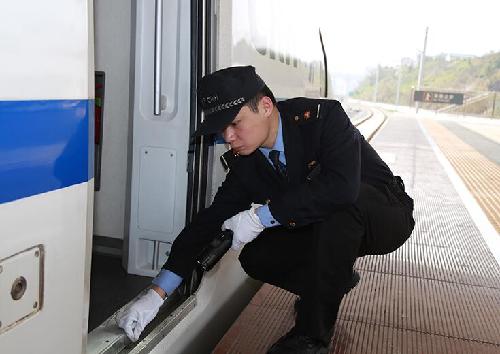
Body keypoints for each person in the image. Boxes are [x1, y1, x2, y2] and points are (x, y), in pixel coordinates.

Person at [117, 66, 415, 353]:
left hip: (384, 215)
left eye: (235, 123)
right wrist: (157, 292)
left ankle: (310, 338)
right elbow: (209, 222)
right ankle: (331, 282)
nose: (228, 138)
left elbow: (341, 189)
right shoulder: (247, 163)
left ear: (266, 106)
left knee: (339, 206)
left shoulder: (323, 119)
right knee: (257, 257)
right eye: (221, 130)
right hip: (328, 230)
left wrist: (260, 216)